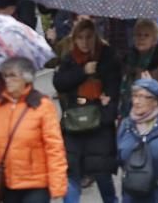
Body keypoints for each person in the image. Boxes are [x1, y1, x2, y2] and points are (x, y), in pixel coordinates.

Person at [0, 57, 68, 201]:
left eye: (13, 76)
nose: (7, 80)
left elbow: (54, 147)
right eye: (5, 76)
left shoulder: (42, 105)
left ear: (26, 78)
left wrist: (58, 184)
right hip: (8, 183)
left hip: (36, 185)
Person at [52, 19, 121, 203]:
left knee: (103, 177)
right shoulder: (70, 58)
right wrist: (83, 71)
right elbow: (59, 82)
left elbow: (113, 90)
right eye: (80, 38)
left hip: (99, 127)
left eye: (89, 37)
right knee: (72, 175)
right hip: (74, 124)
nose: (84, 42)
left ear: (95, 37)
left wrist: (105, 112)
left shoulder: (107, 56)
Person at [120, 19, 158, 113]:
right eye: (138, 35)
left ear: (155, 40)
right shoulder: (128, 60)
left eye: (146, 35)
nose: (141, 38)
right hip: (127, 114)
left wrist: (153, 86)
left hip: (154, 115)